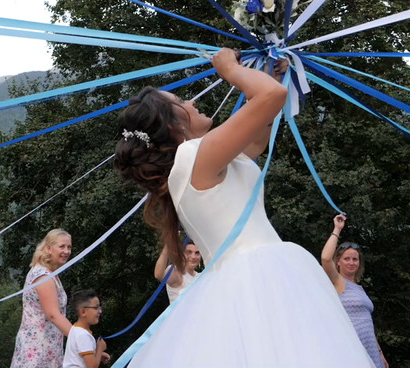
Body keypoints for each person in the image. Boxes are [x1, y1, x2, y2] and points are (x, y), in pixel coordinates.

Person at [113, 48, 374, 367]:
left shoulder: (203, 159)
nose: (192, 102)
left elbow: (256, 139)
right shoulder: (191, 157)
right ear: (172, 126)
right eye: (182, 103)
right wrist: (230, 70)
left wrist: (269, 76)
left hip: (253, 276)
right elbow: (272, 96)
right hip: (254, 277)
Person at [320, 214, 388, 368]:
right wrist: (337, 229)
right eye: (346, 259)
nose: (351, 262)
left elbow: (367, 322)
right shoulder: (338, 282)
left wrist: (379, 352)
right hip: (350, 348)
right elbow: (325, 258)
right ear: (338, 262)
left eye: (355, 259)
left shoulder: (359, 288)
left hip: (370, 350)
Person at [10, 229, 73, 368]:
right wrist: (80, 340)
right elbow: (53, 315)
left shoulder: (50, 274)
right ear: (49, 248)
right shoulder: (43, 276)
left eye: (69, 247)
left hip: (48, 347)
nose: (67, 251)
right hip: (38, 349)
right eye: (62, 246)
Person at [63, 289, 110, 368]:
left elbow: (79, 357)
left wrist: (97, 355)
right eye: (96, 308)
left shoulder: (75, 329)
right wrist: (99, 349)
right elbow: (92, 366)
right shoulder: (83, 335)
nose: (100, 311)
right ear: (83, 312)